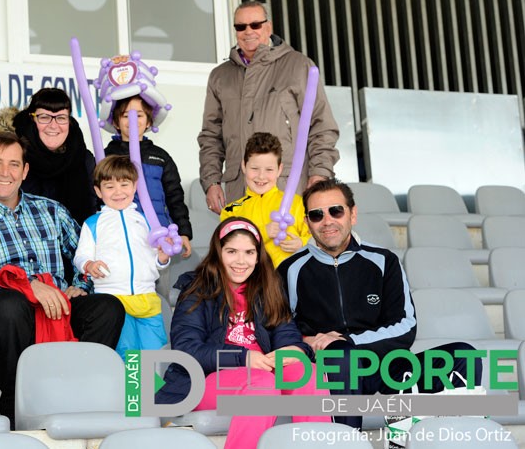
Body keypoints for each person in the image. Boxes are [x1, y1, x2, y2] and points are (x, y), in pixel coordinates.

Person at [277, 178, 482, 429]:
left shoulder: (384, 261)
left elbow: (406, 326)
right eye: (317, 215)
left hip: (386, 366)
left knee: (464, 356)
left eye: (336, 210)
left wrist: (349, 340)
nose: (327, 220)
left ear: (352, 214)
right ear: (308, 223)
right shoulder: (290, 269)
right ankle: (347, 443)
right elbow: (279, 330)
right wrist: (308, 342)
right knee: (342, 356)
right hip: (332, 369)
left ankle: (456, 439)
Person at [0, 132, 125, 426]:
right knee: (8, 305)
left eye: (14, 164)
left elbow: (83, 257)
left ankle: (78, 396)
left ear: (25, 171)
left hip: (59, 304)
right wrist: (30, 287)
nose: (5, 173)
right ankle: (16, 403)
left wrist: (80, 286)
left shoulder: (51, 209)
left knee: (108, 308)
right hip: (13, 305)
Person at [156, 216, 330, 449]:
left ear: (258, 257)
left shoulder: (269, 288)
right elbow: (187, 350)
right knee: (261, 383)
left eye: (249, 252)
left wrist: (294, 350)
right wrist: (243, 357)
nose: (241, 261)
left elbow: (287, 333)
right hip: (205, 381)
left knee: (307, 373)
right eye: (232, 252)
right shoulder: (197, 289)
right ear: (218, 253)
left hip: (264, 373)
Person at [198, 0, 340, 214]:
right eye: (240, 26)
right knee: (243, 246)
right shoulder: (220, 76)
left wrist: (319, 173)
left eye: (255, 25)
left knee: (288, 246)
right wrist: (211, 181)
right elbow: (211, 135)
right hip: (239, 190)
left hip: (289, 187)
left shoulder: (298, 65)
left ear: (268, 27)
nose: (248, 31)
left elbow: (322, 125)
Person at [74, 155, 170, 359]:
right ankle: (134, 392)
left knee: (157, 352)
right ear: (98, 191)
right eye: (109, 186)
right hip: (114, 299)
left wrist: (162, 258)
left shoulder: (146, 221)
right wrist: (89, 264)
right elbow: (80, 257)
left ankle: (155, 391)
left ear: (135, 187)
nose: (118, 192)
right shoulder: (93, 223)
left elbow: (156, 260)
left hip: (147, 297)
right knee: (129, 353)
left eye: (124, 184)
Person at [0, 87, 98, 224]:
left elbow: (92, 211)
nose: (53, 125)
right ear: (32, 119)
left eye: (61, 117)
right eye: (44, 117)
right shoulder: (8, 151)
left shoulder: (82, 158)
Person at [104, 95, 193, 257]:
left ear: (149, 121)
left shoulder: (161, 157)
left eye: (138, 115)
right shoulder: (107, 156)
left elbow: (175, 198)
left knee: (159, 279)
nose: (132, 120)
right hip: (120, 238)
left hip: (159, 238)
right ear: (116, 122)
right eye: (125, 115)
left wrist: (184, 232)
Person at [220, 132, 310, 267]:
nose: (261, 176)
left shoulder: (297, 203)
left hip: (288, 280)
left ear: (279, 170)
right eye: (255, 168)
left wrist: (302, 244)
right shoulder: (231, 211)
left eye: (269, 169)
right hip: (251, 283)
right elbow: (228, 245)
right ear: (244, 166)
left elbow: (315, 237)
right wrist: (261, 232)